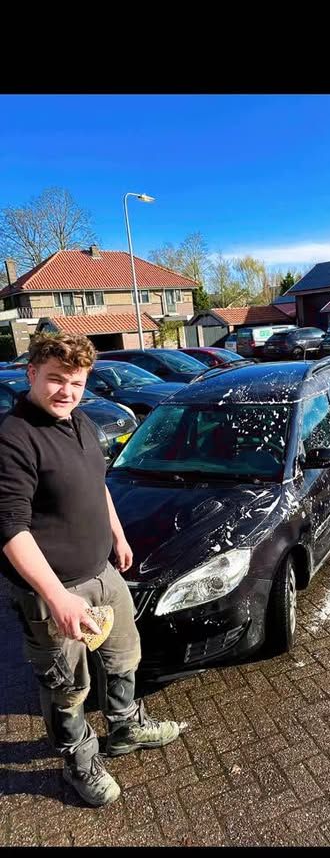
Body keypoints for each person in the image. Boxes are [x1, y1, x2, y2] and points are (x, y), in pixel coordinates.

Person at [0, 333, 181, 807]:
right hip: (52, 590)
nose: (67, 391)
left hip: (102, 572)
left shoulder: (78, 421)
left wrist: (118, 535)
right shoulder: (12, 439)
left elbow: (97, 485)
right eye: (56, 379)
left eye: (76, 382)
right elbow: (10, 529)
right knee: (66, 685)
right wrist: (57, 597)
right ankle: (78, 761)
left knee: (125, 656)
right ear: (31, 374)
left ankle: (125, 728)